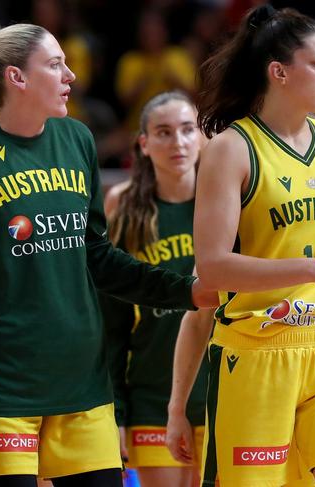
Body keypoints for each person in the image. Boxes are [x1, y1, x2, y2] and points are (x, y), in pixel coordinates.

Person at [0, 24, 215, 487]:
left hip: (84, 383)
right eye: (55, 65)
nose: (71, 74)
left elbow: (98, 256)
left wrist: (187, 291)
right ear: (17, 77)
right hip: (1, 385)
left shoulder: (76, 140)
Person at [167, 6, 315, 486]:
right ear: (279, 71)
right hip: (256, 352)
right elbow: (213, 268)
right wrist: (314, 270)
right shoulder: (231, 148)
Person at [101, 91, 207, 487]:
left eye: (186, 130)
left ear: (202, 136)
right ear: (143, 143)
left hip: (227, 388)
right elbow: (110, 320)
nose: (177, 142)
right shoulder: (123, 207)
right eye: (163, 133)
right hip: (152, 393)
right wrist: (117, 411)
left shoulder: (233, 198)